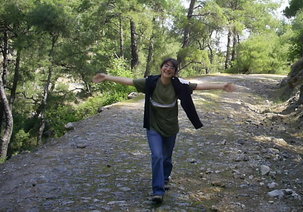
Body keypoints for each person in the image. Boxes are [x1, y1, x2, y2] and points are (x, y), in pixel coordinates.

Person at [92, 58, 236, 204]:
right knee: (157, 156)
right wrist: (106, 77)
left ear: (174, 72)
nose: (168, 69)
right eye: (166, 66)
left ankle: (165, 178)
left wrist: (222, 85)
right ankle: (158, 191)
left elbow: (199, 86)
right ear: (161, 68)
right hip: (153, 127)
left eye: (171, 68)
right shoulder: (150, 82)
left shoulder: (178, 85)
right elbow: (129, 81)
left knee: (167, 158)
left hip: (171, 127)